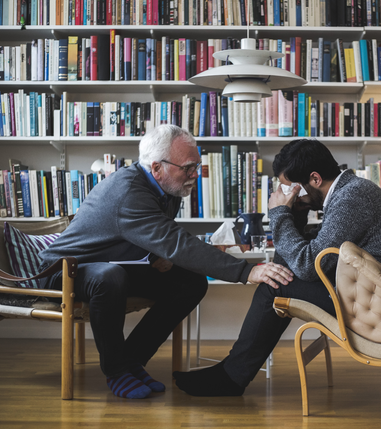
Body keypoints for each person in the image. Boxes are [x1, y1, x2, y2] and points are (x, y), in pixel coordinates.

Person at [38, 125, 294, 399]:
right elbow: (176, 242)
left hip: (111, 265)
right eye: (188, 167)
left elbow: (145, 236)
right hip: (64, 270)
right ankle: (116, 370)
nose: (194, 175)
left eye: (196, 166)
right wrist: (247, 271)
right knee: (109, 276)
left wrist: (152, 256)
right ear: (157, 167)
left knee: (190, 283)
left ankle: (131, 360)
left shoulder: (167, 188)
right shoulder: (128, 192)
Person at [173, 138, 381, 396]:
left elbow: (306, 266)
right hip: (380, 295)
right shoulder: (347, 192)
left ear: (315, 179)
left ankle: (230, 377)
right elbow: (294, 262)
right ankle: (231, 372)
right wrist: (295, 211)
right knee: (278, 279)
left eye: (293, 188)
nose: (290, 194)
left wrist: (280, 214)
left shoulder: (352, 197)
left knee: (273, 287)